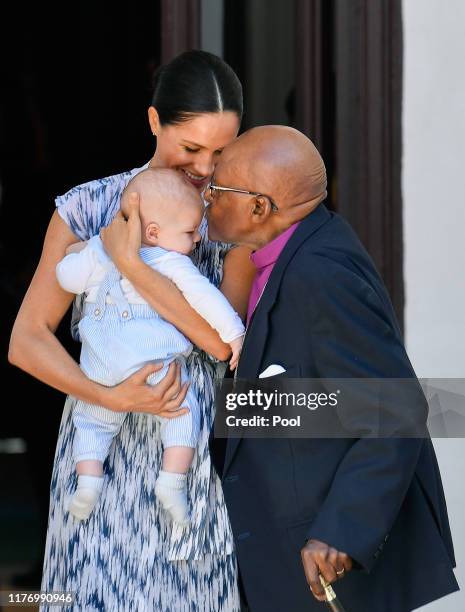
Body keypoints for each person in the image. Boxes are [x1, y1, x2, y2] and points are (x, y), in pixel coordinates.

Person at [9, 50, 255, 611]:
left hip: (189, 459)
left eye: (222, 151)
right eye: (191, 148)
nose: (204, 167)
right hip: (99, 447)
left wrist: (136, 267)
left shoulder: (229, 222)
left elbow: (220, 350)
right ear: (153, 122)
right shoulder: (88, 207)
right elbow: (25, 340)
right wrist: (107, 396)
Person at [206, 125, 459, 611]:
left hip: (324, 565)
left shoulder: (321, 272)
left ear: (260, 207)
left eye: (218, 189)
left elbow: (396, 411)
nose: (207, 198)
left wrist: (340, 533)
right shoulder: (282, 255)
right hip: (281, 555)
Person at [56, 168, 244, 524]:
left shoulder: (101, 249)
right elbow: (209, 302)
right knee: (182, 412)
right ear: (155, 233)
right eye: (190, 232)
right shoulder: (172, 261)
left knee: (92, 422)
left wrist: (90, 252)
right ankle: (171, 484)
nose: (197, 241)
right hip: (153, 363)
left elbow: (65, 277)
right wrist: (236, 336)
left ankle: (88, 482)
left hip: (99, 367)